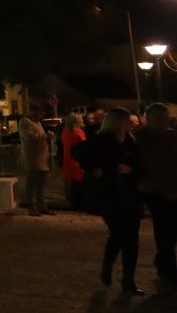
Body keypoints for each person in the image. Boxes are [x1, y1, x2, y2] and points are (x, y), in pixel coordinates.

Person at [73, 108, 144, 295]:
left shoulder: (130, 141)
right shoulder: (102, 140)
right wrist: (96, 168)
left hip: (129, 194)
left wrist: (131, 169)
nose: (132, 123)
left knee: (132, 238)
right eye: (128, 120)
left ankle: (128, 280)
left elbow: (140, 164)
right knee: (120, 234)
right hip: (109, 194)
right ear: (118, 122)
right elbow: (77, 152)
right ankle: (108, 268)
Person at [136, 103, 177, 284]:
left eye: (165, 118)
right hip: (154, 191)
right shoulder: (138, 138)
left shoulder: (173, 136)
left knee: (172, 230)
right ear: (148, 119)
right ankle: (167, 268)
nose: (163, 122)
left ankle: (163, 261)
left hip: (174, 189)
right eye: (159, 119)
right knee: (164, 230)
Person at [19, 103, 53, 216]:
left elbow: (39, 137)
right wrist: (46, 137)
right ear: (34, 111)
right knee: (32, 184)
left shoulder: (37, 122)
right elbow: (30, 137)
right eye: (41, 112)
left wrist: (46, 137)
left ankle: (41, 206)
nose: (43, 114)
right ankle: (32, 208)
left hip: (42, 157)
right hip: (33, 158)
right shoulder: (25, 122)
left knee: (41, 185)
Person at [61, 113, 87, 210]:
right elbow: (84, 146)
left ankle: (72, 203)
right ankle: (80, 204)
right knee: (78, 183)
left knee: (70, 184)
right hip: (77, 161)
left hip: (67, 159)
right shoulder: (79, 132)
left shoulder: (65, 132)